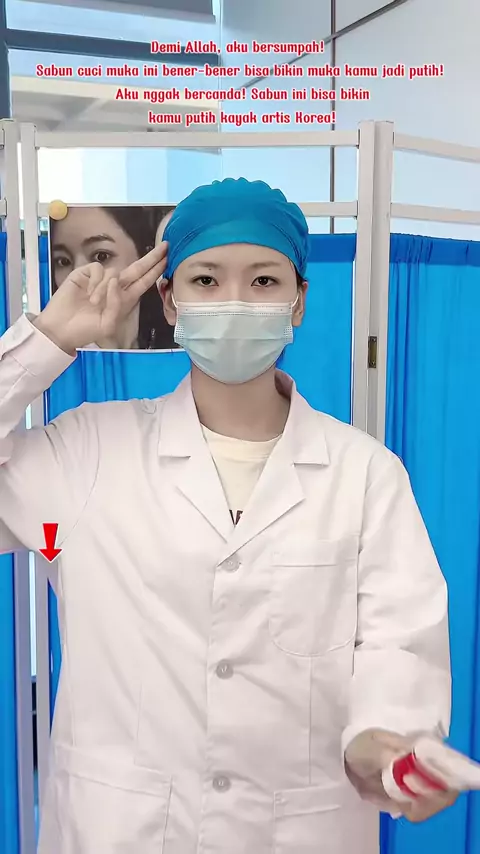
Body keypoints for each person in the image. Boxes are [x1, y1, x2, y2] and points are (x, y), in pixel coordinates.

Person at [0, 178, 455, 854]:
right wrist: (47, 341)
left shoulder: (365, 474)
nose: (235, 302)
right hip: (119, 831)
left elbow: (400, 643)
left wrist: (385, 739)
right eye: (206, 280)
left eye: (264, 280)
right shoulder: (87, 450)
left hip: (302, 831)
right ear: (168, 300)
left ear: (300, 301)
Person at [50, 204, 176, 349]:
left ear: (144, 255)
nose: (78, 276)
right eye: (63, 261)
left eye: (101, 256)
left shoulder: (183, 338)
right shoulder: (56, 350)